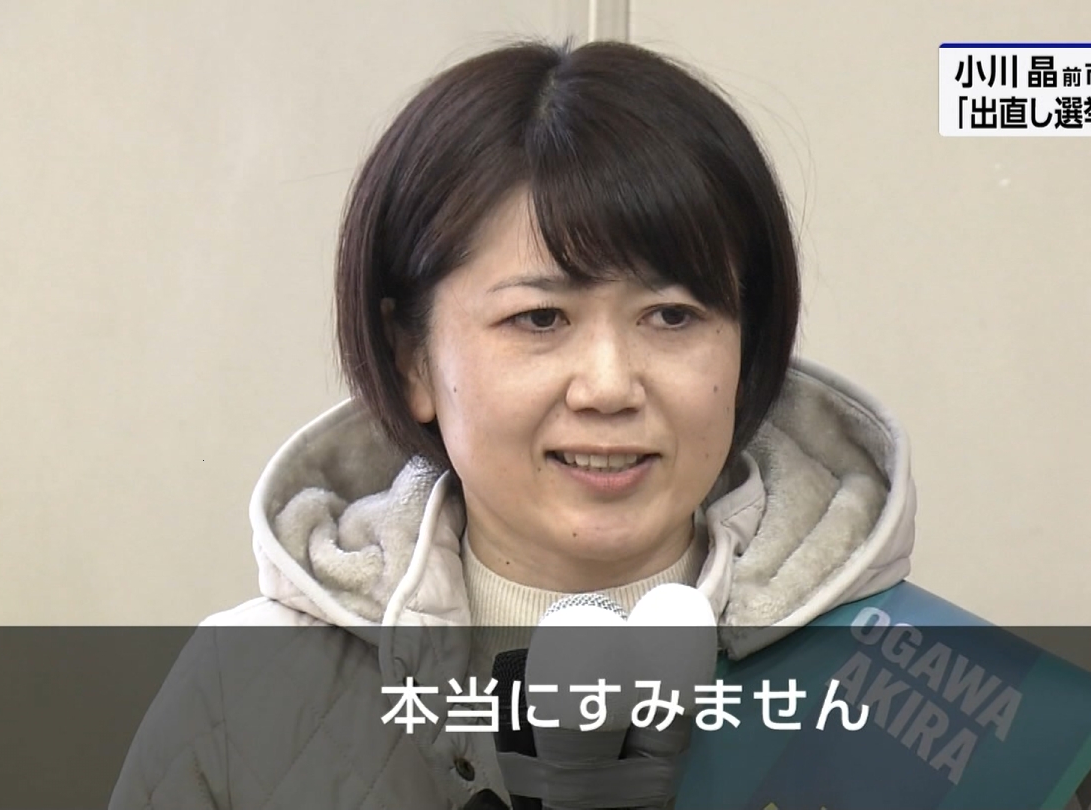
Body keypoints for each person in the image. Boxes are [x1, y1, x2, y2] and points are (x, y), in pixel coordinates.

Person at [110, 38, 915, 810]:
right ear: (412, 358)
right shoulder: (241, 691)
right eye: (539, 319)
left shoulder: (903, 686)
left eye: (672, 315)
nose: (609, 386)